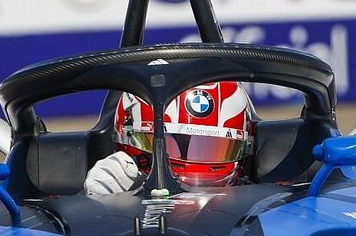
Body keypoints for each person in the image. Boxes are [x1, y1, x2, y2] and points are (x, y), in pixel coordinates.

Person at [84, 82, 255, 194]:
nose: (194, 163)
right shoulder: (114, 183)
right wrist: (99, 204)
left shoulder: (255, 203)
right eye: (173, 143)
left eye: (216, 148)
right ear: (128, 138)